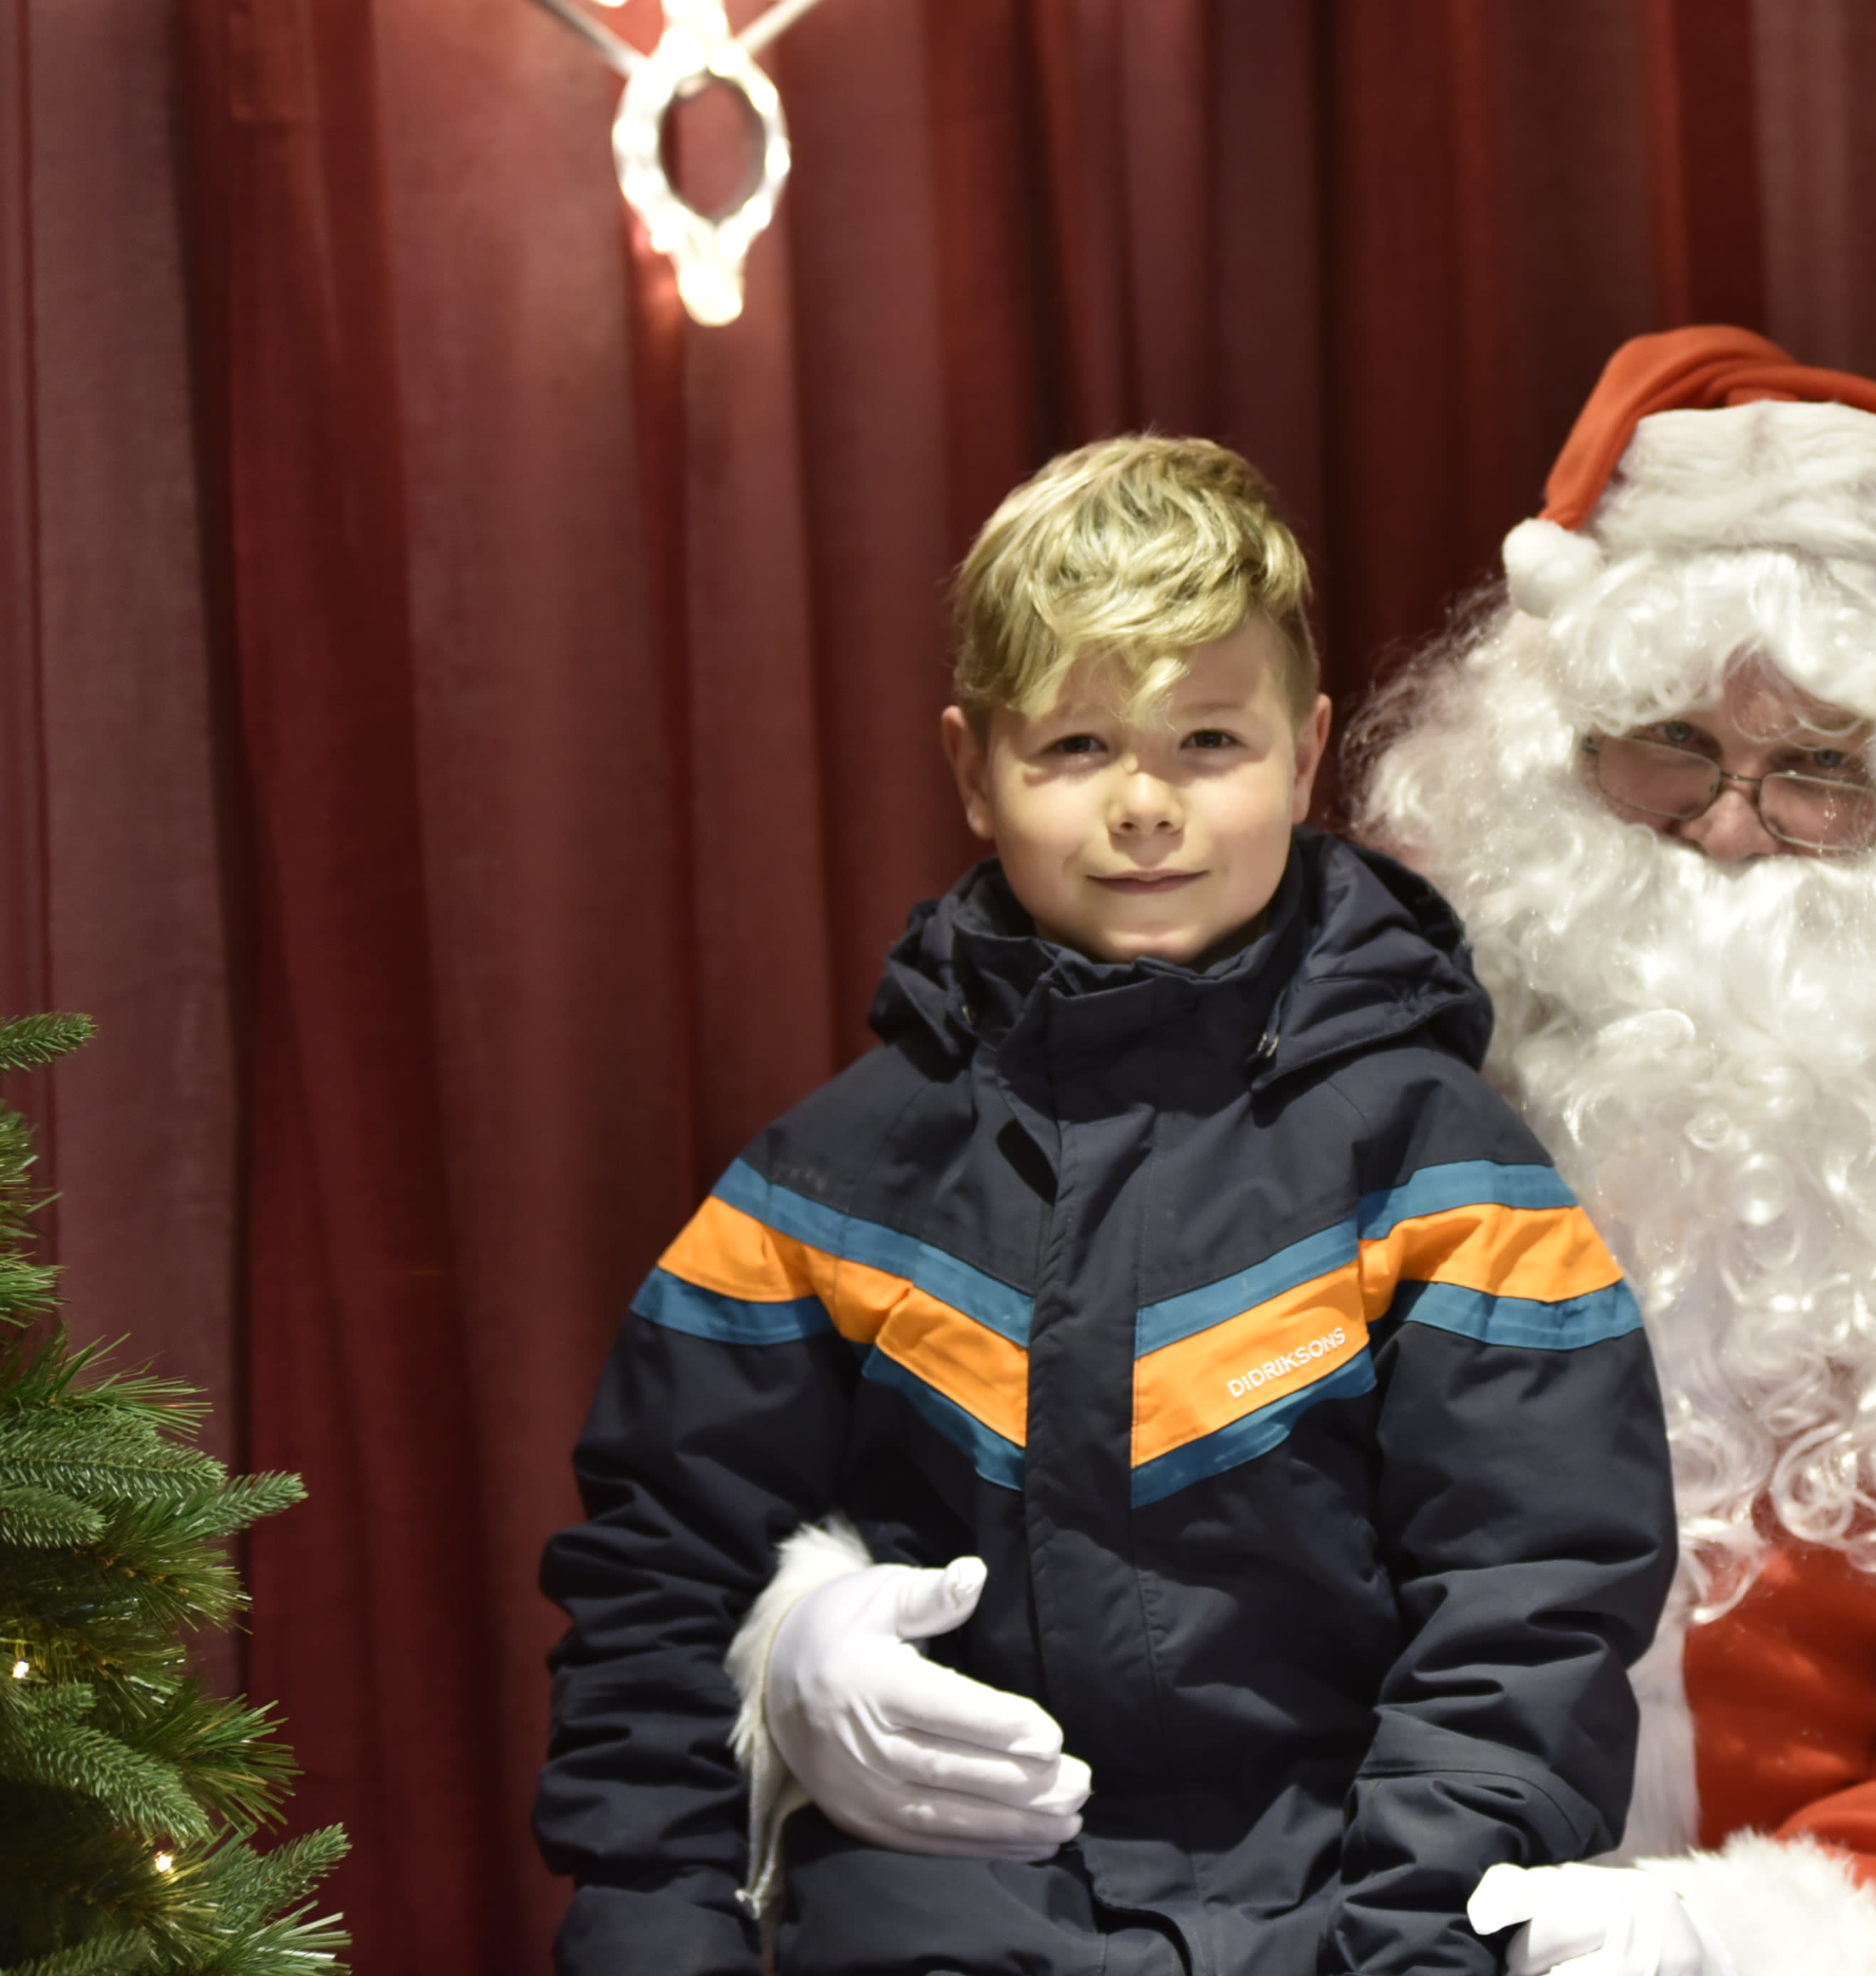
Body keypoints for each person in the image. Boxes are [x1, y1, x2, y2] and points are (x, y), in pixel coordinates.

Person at [744, 333, 1876, 1976]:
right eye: (1666, 744)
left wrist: (1724, 1934)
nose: (1729, 827)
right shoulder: (1327, 1066)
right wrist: (821, 1630)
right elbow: (1012, 1455)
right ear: (1549, 755)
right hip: (1334, 1903)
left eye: (1822, 770)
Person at [533, 436, 1681, 1976]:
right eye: (1076, 746)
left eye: (1208, 740)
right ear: (972, 768)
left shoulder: (1446, 1175)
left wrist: (1420, 1951)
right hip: (928, 1925)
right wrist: (662, 1943)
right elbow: (661, 1581)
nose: (1145, 805)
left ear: (1306, 753)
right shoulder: (828, 1182)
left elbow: (1529, 1610)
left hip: (1335, 1924)